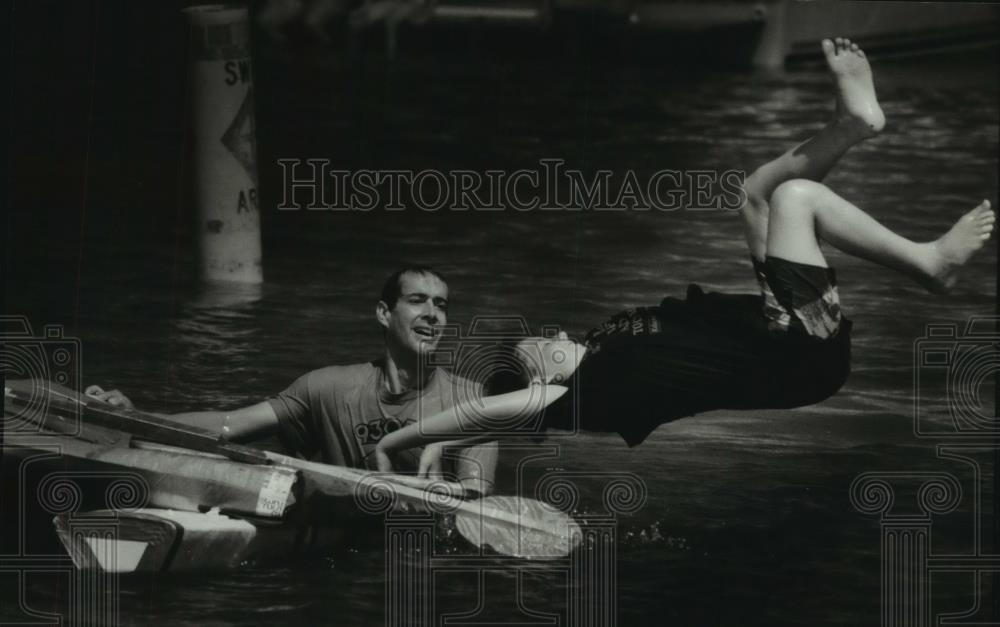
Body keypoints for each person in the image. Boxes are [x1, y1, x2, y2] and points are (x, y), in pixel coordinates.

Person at [373, 38, 995, 474]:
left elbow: (479, 419)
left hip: (774, 331)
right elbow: (488, 408)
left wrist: (441, 449)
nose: (550, 334)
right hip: (795, 356)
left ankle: (853, 125)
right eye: (538, 348)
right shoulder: (594, 392)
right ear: (545, 378)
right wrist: (402, 442)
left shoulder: (598, 348)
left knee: (756, 194)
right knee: (801, 198)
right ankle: (928, 264)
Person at [87, 266, 499, 495]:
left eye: (441, 306)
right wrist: (137, 418)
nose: (433, 314)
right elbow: (231, 425)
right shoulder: (326, 387)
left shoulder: (471, 401)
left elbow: (476, 495)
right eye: (417, 301)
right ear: (383, 314)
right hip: (340, 537)